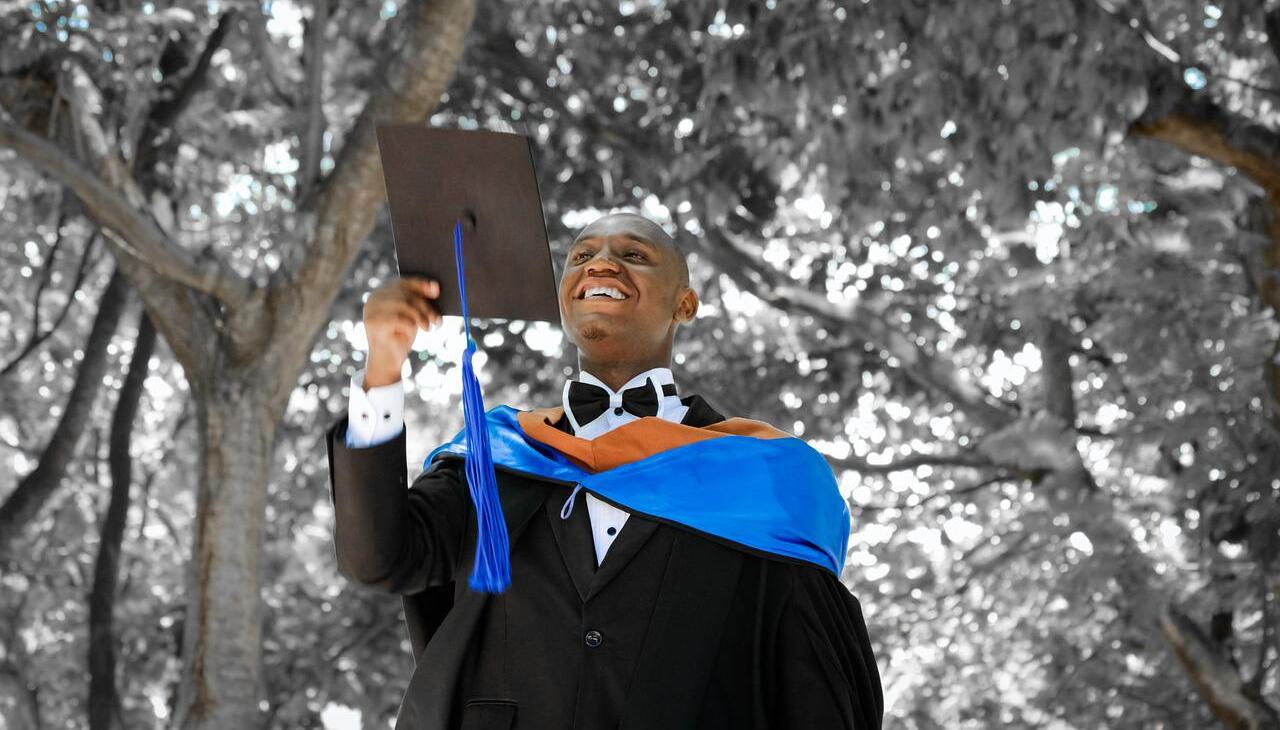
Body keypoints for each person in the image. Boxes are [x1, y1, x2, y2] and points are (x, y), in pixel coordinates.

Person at [324, 211, 884, 730]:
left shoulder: (765, 478)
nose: (601, 263)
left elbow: (815, 687)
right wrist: (383, 367)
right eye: (581, 255)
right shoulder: (498, 457)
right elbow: (377, 557)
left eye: (635, 255)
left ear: (684, 304)